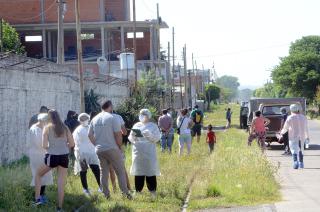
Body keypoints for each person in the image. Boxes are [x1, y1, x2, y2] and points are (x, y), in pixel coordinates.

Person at [88, 100, 132, 199]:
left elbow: (89, 135)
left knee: (103, 172)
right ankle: (125, 193)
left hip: (99, 149)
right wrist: (119, 147)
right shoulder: (112, 118)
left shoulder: (94, 119)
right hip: (112, 148)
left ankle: (105, 194)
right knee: (120, 171)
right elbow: (118, 134)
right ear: (110, 106)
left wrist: (96, 145)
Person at [34, 110, 75, 212]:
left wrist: (51, 146)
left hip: (52, 156)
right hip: (64, 157)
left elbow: (44, 146)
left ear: (49, 117)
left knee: (38, 175)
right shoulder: (65, 127)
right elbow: (72, 144)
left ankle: (37, 199)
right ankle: (59, 208)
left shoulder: (47, 128)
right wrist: (64, 146)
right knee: (61, 183)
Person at [128, 109, 161, 198]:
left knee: (150, 171)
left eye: (144, 114)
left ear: (148, 116)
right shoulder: (137, 125)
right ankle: (138, 190)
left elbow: (157, 138)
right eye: (141, 114)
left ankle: (152, 191)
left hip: (149, 152)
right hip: (138, 152)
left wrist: (150, 135)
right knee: (138, 172)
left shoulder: (153, 126)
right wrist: (133, 138)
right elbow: (130, 137)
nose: (142, 116)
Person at [73, 113, 101, 196]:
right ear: (80, 120)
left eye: (85, 118)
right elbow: (76, 142)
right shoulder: (78, 130)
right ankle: (85, 189)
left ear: (88, 119)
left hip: (91, 152)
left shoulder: (90, 128)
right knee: (84, 171)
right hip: (83, 153)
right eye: (82, 119)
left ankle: (100, 186)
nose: (84, 120)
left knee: (95, 169)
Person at [27, 113, 53, 204]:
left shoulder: (36, 127)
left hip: (39, 154)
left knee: (42, 176)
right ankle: (38, 197)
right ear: (43, 121)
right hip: (39, 155)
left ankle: (41, 196)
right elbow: (41, 144)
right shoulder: (37, 130)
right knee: (40, 175)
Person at [279, 104, 309, 169]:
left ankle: (295, 162)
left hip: (293, 136)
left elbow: (285, 128)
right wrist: (307, 137)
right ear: (298, 109)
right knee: (301, 149)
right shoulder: (303, 117)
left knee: (293, 150)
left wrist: (281, 134)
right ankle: (301, 163)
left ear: (291, 110)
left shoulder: (290, 117)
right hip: (302, 136)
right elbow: (306, 128)